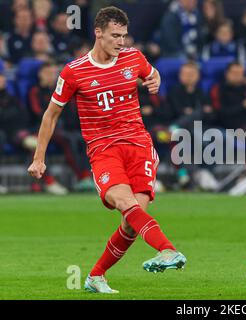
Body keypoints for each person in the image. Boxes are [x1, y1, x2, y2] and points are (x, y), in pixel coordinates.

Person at [27, 6, 186, 294]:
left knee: (130, 223)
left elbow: (153, 73)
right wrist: (39, 158)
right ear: (98, 33)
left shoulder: (133, 58)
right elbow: (50, 115)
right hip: (103, 150)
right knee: (128, 205)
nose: (121, 42)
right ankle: (167, 250)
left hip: (139, 145)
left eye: (124, 36)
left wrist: (156, 79)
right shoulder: (74, 71)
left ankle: (95, 277)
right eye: (115, 35)